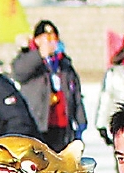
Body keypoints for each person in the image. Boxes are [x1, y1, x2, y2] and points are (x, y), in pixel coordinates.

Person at [11, 19, 86, 149]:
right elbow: (19, 72)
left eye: (53, 39)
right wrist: (39, 55)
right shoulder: (29, 58)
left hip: (62, 125)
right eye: (46, 39)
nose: (51, 43)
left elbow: (76, 93)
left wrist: (80, 121)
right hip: (38, 123)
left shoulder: (64, 64)